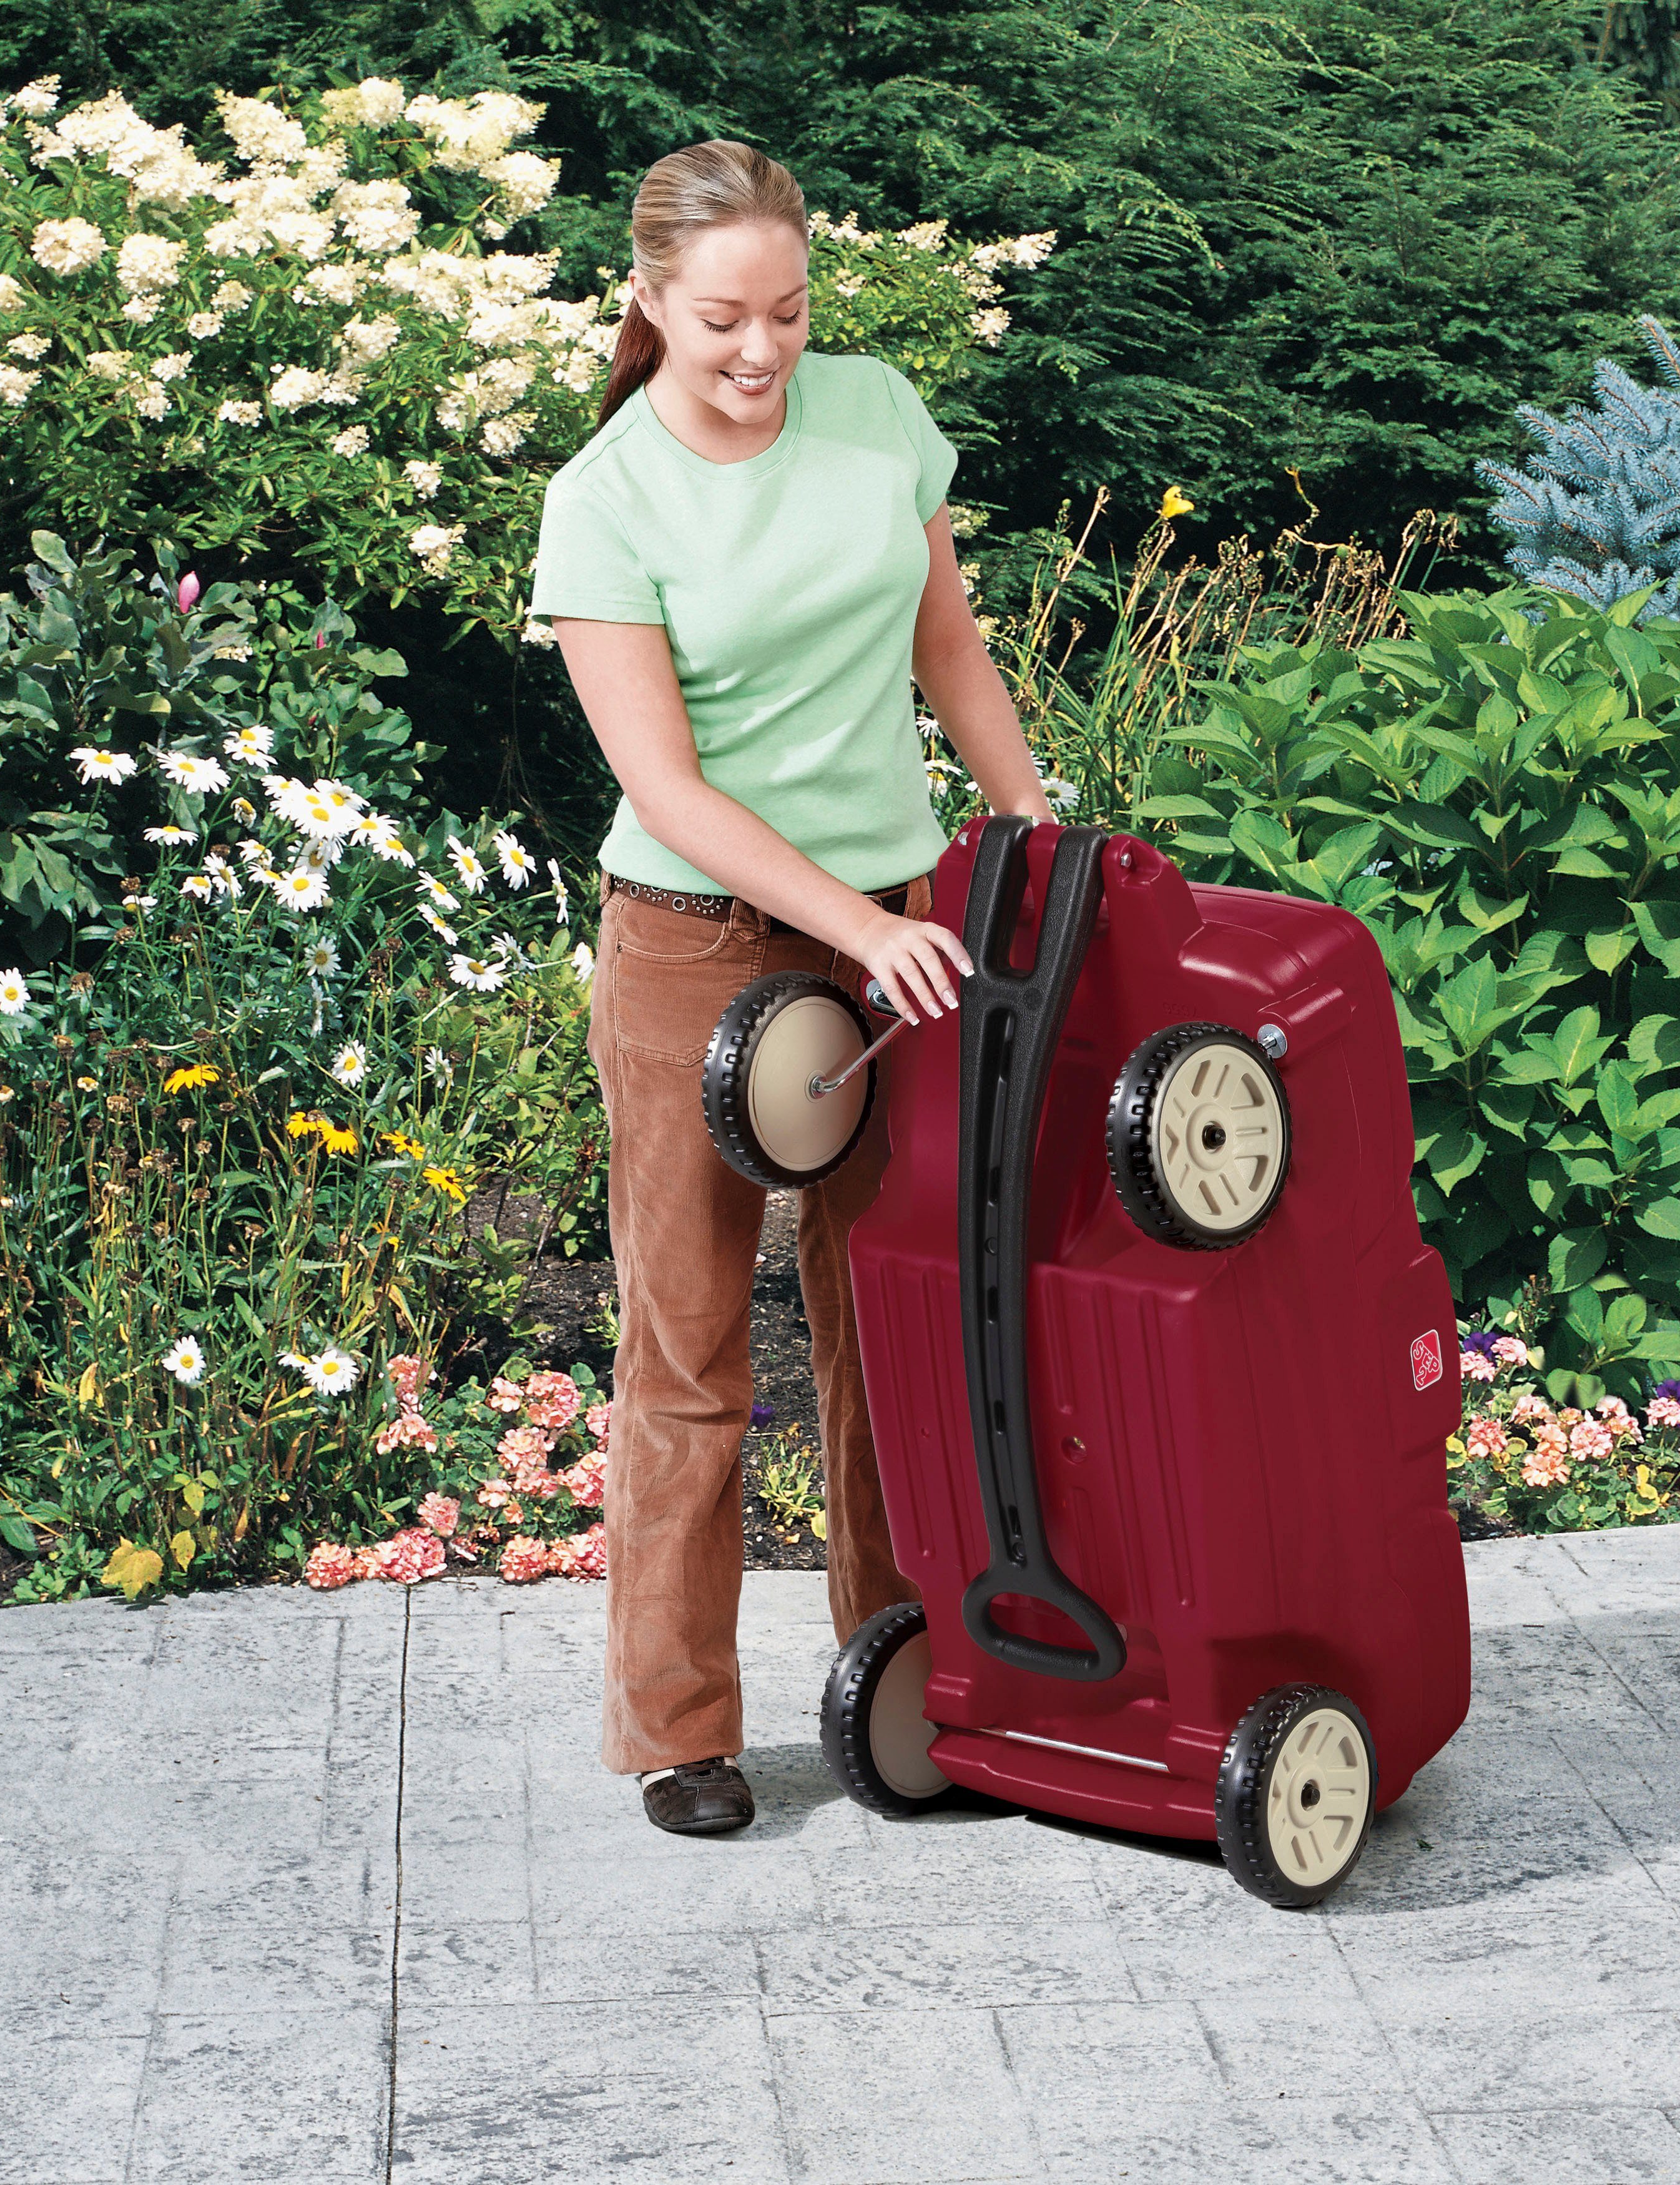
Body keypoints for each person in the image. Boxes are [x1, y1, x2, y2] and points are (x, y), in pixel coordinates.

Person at [528, 140, 1054, 1837]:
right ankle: (678, 1729)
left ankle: (906, 1684)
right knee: (689, 1347)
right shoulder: (606, 497)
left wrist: (1032, 825)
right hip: (698, 937)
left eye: (786, 313)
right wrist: (852, 913)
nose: (760, 353)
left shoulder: (878, 412)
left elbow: (946, 645)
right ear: (646, 304)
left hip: (888, 919)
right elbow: (670, 791)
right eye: (720, 322)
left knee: (889, 1327)